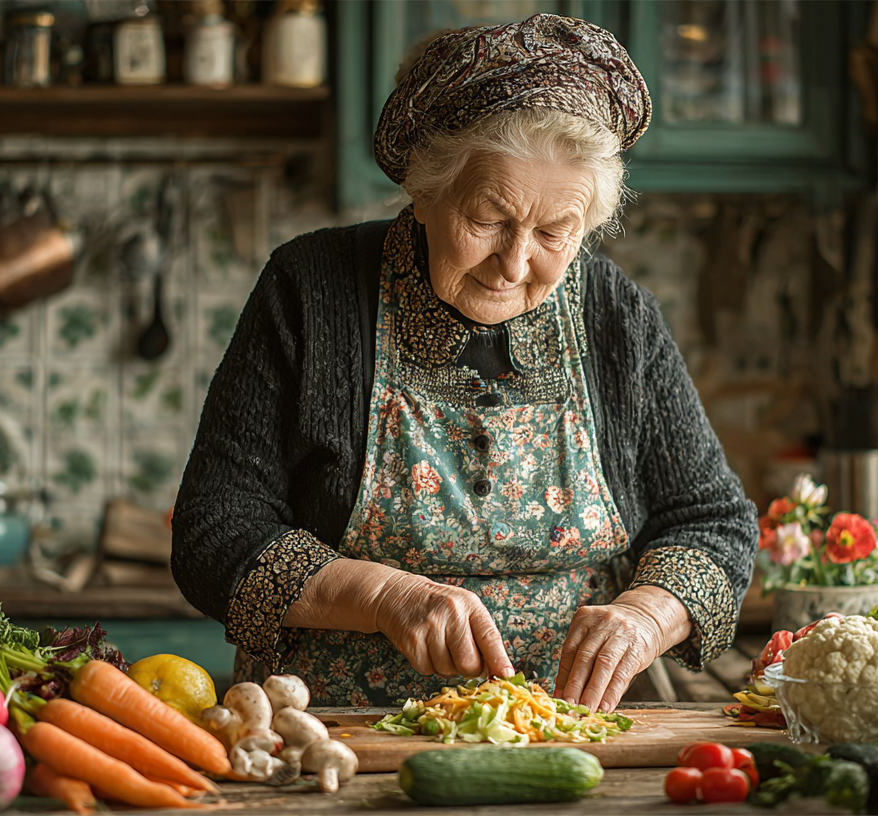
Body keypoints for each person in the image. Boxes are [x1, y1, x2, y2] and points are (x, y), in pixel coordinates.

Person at [173, 14, 756, 712]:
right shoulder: (312, 289)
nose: (514, 264)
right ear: (425, 191)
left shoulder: (617, 317)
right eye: (488, 219)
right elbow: (214, 530)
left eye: (552, 233)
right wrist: (387, 595)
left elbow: (713, 521)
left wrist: (646, 615)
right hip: (330, 731)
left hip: (568, 735)